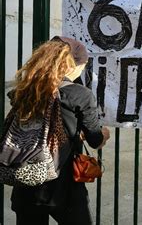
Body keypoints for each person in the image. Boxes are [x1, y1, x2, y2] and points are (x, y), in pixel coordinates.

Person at [8, 36, 110, 225]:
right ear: (73, 65)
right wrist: (104, 133)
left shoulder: (25, 90)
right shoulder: (80, 94)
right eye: (83, 65)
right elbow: (95, 140)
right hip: (64, 188)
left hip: (26, 181)